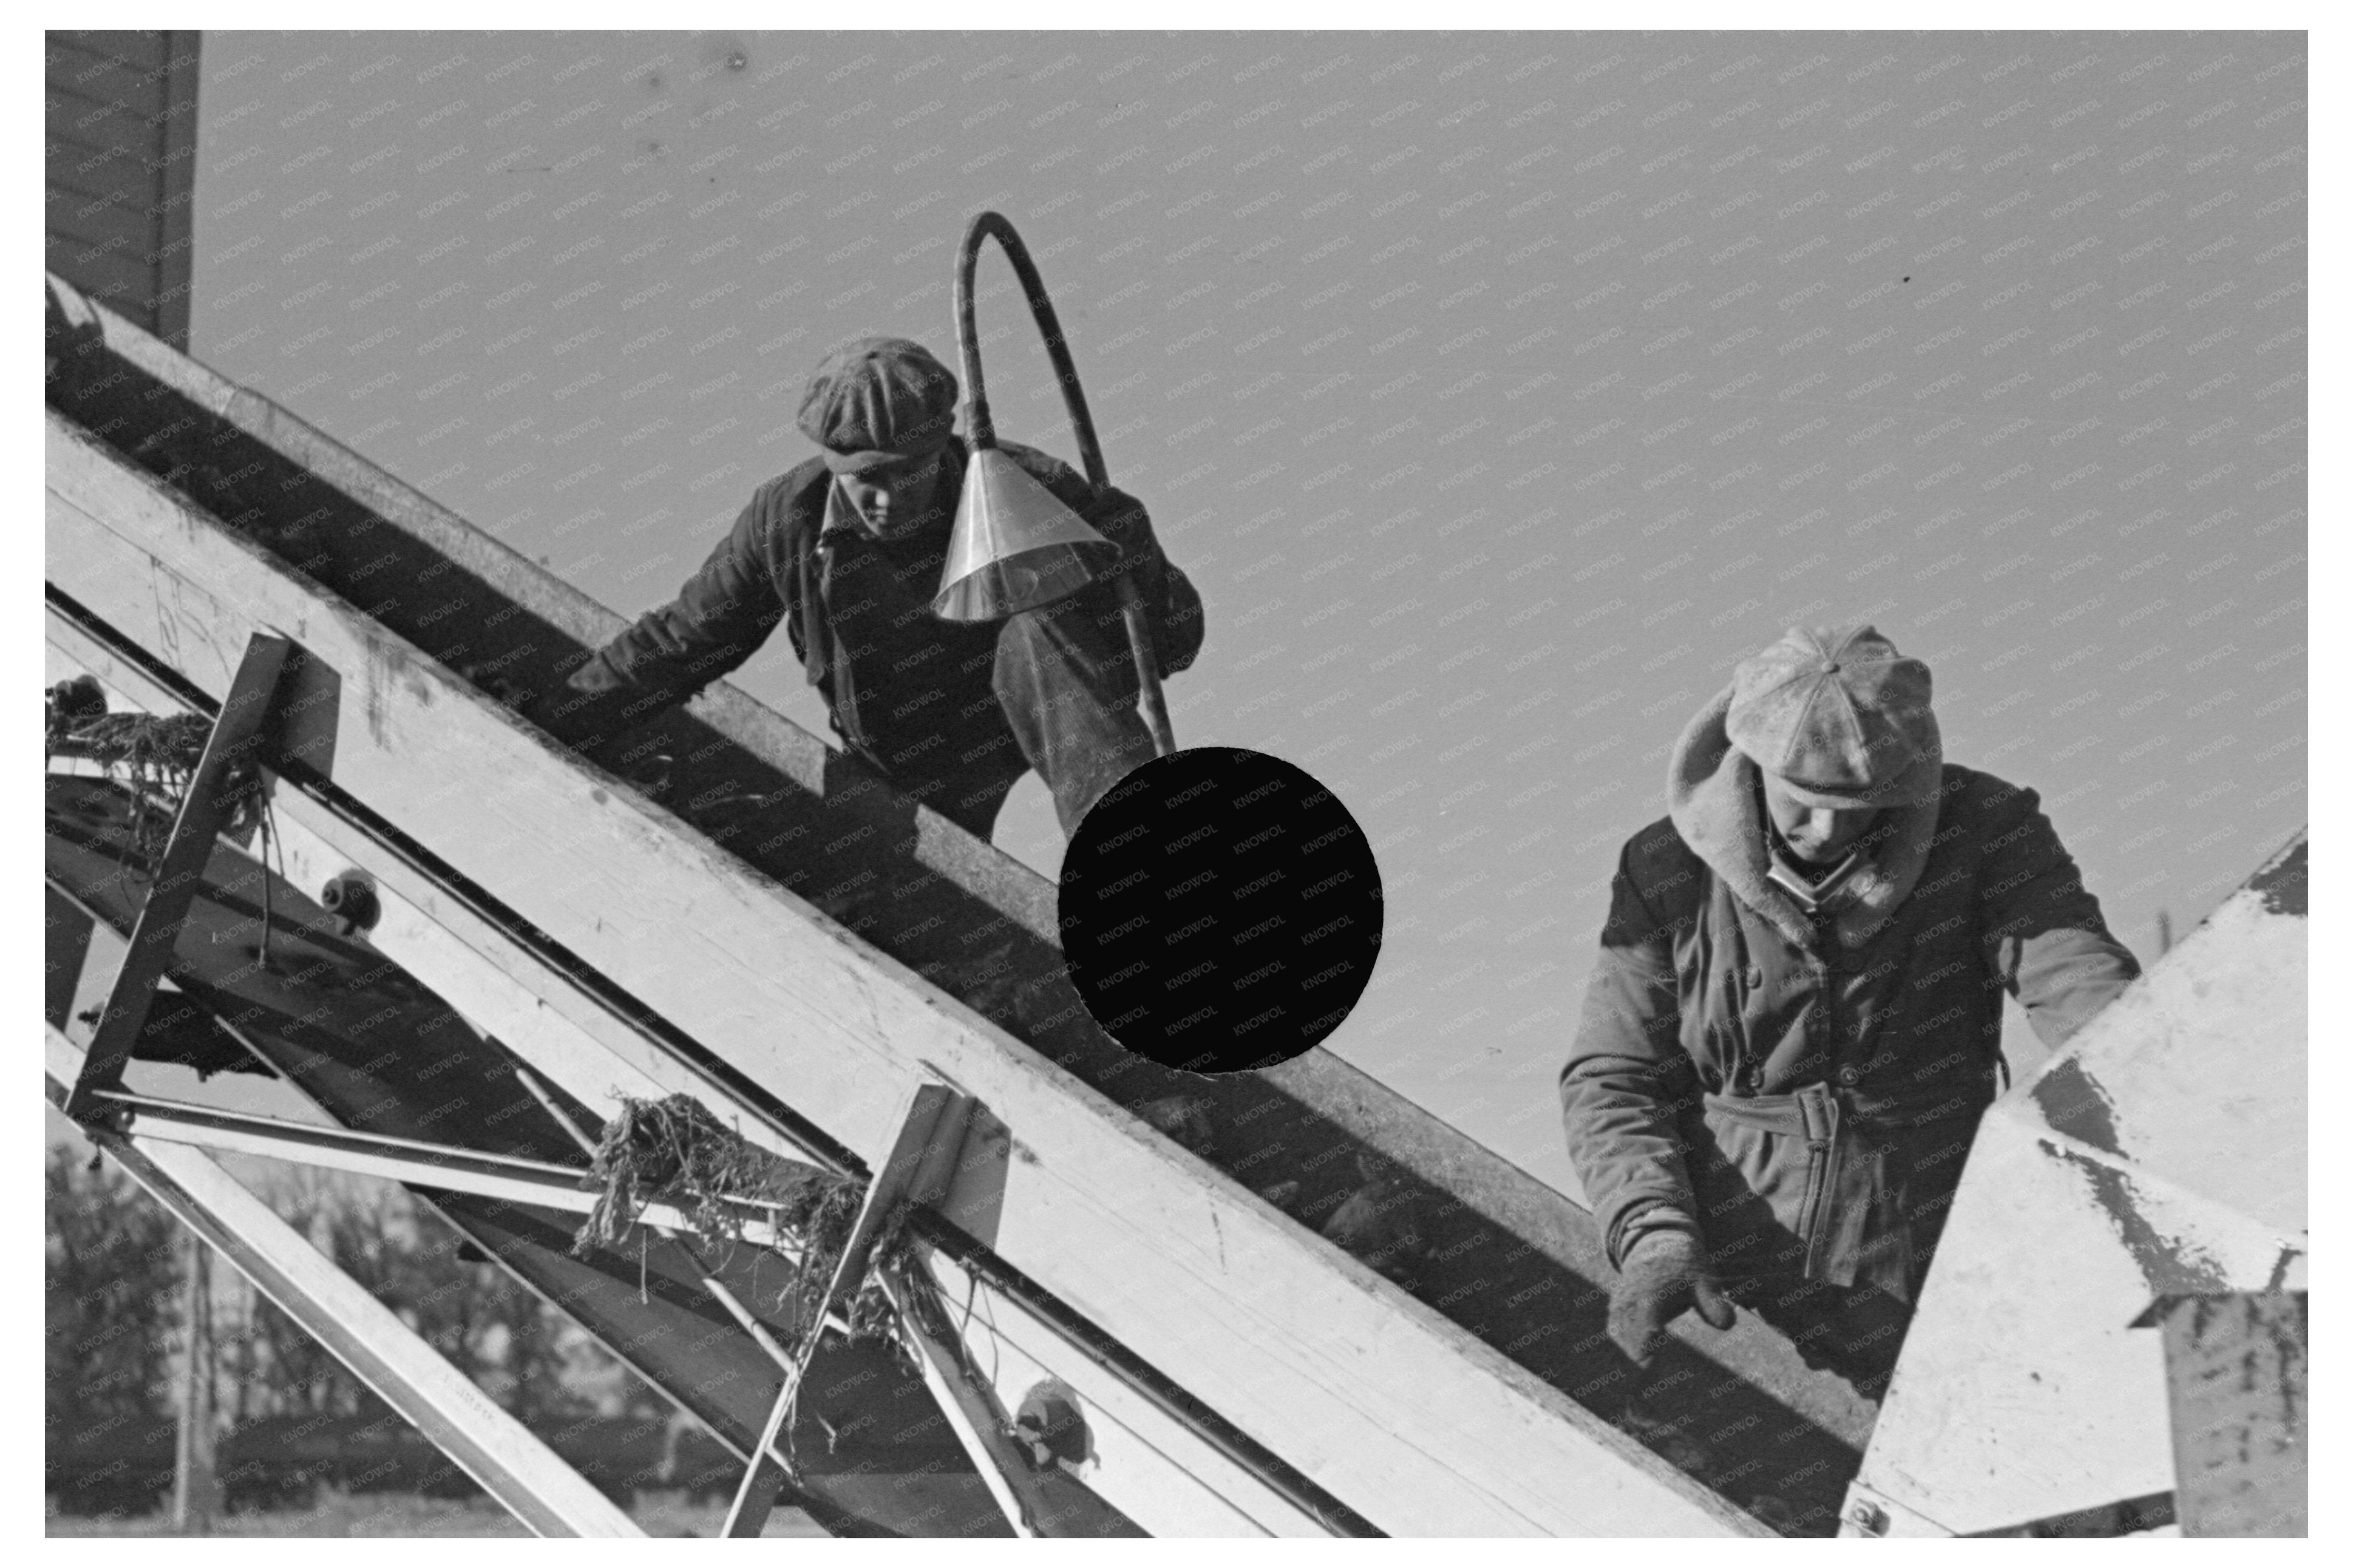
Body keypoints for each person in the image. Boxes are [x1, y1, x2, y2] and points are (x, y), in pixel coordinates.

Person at [1559, 624, 2140, 1397]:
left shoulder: (1987, 833)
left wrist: (2154, 1115)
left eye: (1858, 807)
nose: (1828, 831)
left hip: (1931, 1263)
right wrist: (1655, 1237)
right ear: (1752, 765)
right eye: (1804, 802)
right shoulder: (1666, 869)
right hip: (1735, 1284)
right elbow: (1614, 1076)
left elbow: (2089, 1001)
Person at [526, 336, 1204, 840]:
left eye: (908, 475)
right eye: (865, 480)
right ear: (832, 463)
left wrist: (1133, 553)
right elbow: (685, 638)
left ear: (943, 447)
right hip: (897, 754)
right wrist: (558, 714)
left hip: (1013, 716)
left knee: (1037, 632)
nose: (885, 499)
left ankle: (1136, 855)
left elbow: (1173, 642)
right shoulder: (786, 519)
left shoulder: (1027, 489)